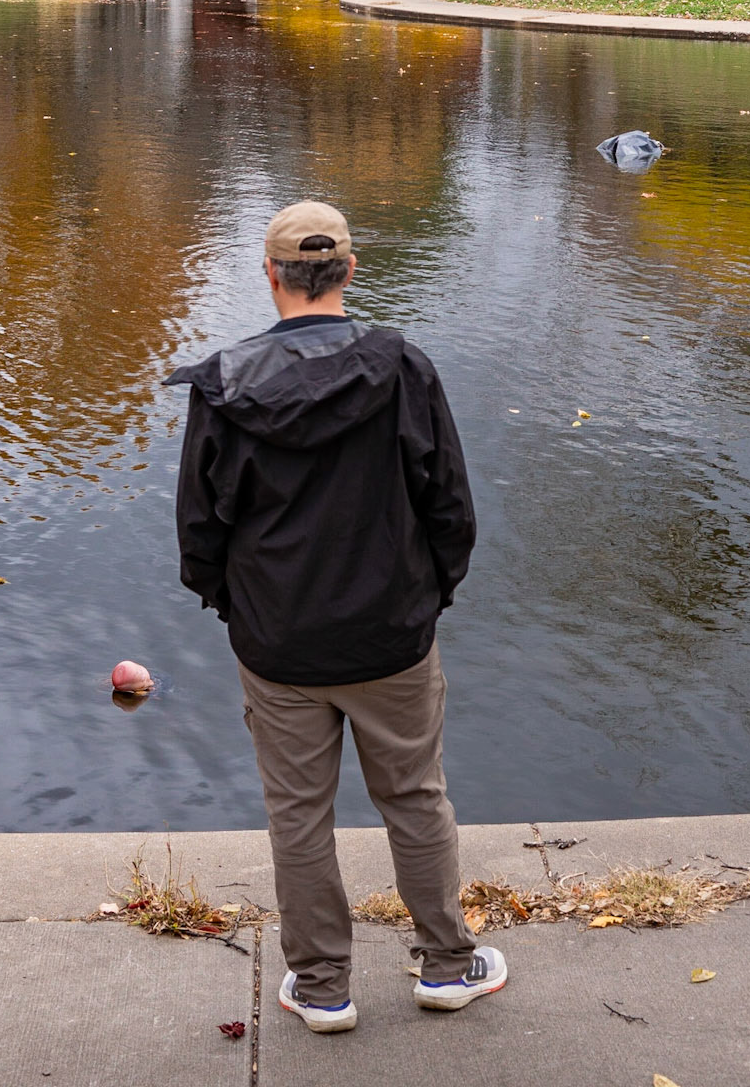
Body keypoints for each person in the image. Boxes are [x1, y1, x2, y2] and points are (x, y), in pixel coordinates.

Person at [168, 200, 505, 1034]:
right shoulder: (403, 368)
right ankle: (448, 966)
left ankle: (322, 987)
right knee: (417, 798)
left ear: (271, 275)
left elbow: (200, 532)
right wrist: (427, 601)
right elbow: (450, 509)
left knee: (298, 814)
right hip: (391, 633)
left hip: (279, 640)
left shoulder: (226, 383)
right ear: (349, 271)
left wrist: (239, 610)